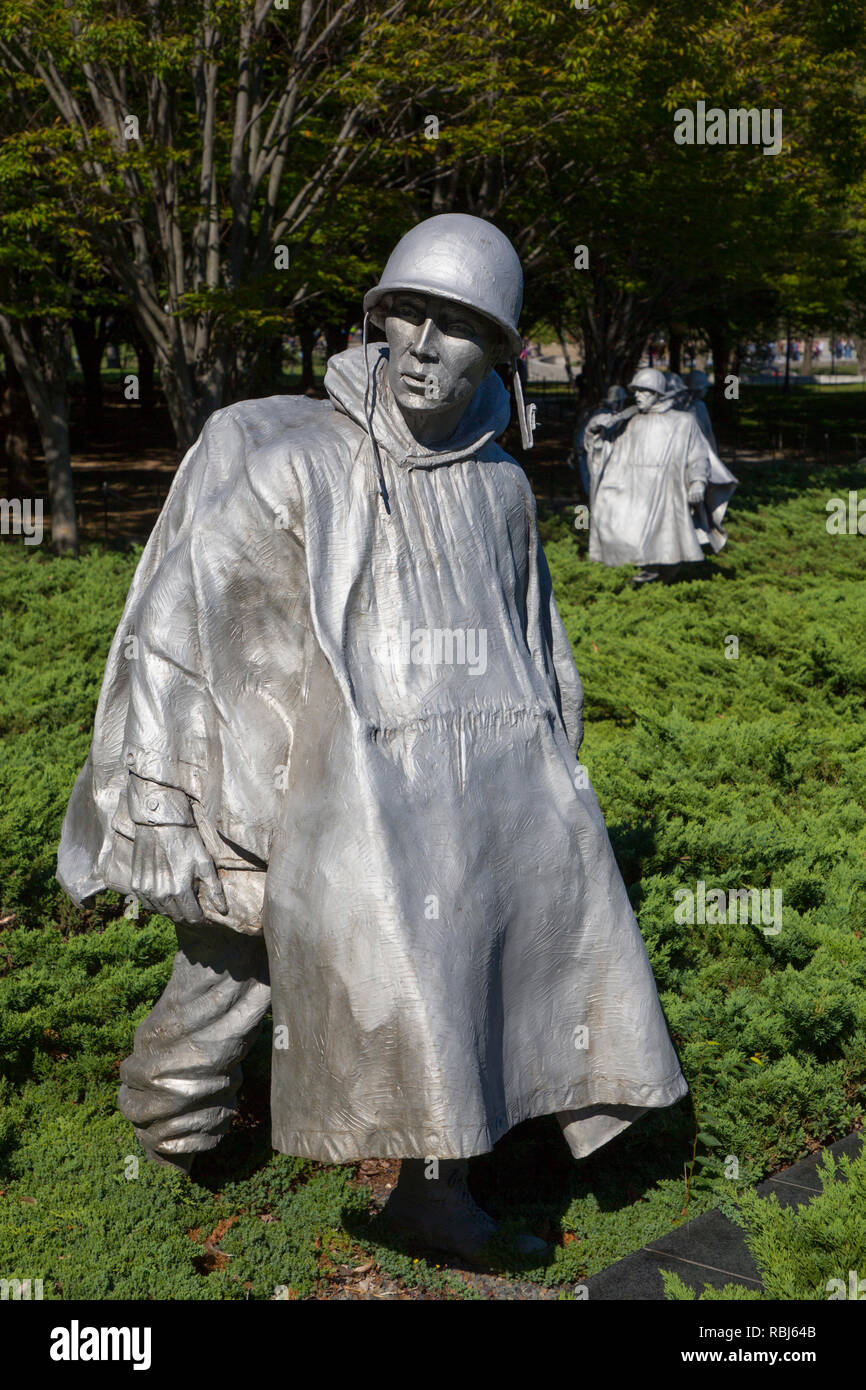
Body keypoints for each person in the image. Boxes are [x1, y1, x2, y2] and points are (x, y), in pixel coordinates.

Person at [57, 214, 688, 1264]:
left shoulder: (495, 488)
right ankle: (160, 1174)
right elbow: (185, 630)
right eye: (407, 313)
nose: (422, 347)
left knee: (452, 982)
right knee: (226, 985)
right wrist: (166, 806)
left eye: (458, 325)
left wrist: (547, 784)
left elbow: (534, 645)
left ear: (502, 352)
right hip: (293, 800)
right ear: (377, 318)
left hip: (452, 799)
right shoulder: (297, 465)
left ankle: (431, 1197)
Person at [584, 366, 736, 586]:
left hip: (668, 491)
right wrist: (595, 430)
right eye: (636, 391)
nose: (637, 395)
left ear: (657, 394)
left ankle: (659, 578)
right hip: (634, 491)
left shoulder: (683, 422)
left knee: (669, 543)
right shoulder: (630, 421)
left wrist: (697, 482)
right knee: (619, 528)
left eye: (643, 391)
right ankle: (646, 576)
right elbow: (606, 452)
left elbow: (698, 456)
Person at [573, 384, 628, 495]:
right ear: (616, 402)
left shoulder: (601, 412)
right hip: (588, 455)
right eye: (621, 402)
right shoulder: (603, 415)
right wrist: (626, 414)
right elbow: (610, 424)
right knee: (594, 492)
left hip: (589, 453)